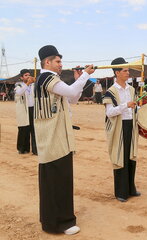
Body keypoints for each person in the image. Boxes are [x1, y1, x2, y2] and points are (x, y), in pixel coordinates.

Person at [34, 45, 95, 235]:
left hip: (57, 136)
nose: (61, 65)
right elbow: (69, 92)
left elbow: (73, 98)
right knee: (57, 179)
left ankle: (56, 220)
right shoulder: (46, 77)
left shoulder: (49, 79)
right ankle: (61, 223)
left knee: (59, 179)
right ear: (47, 62)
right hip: (54, 137)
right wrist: (85, 75)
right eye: (58, 61)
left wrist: (79, 80)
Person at [103, 57, 140, 203]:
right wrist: (126, 105)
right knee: (120, 158)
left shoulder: (131, 89)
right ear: (117, 73)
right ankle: (121, 192)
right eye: (125, 70)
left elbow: (135, 109)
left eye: (128, 70)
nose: (128, 73)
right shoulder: (110, 92)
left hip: (131, 126)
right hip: (119, 128)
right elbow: (110, 112)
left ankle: (131, 188)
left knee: (131, 157)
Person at [14, 69, 37, 155]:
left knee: (34, 129)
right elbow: (19, 93)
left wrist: (33, 82)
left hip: (33, 109)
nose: (28, 77)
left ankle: (35, 150)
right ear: (21, 77)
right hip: (24, 110)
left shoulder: (33, 85)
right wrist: (27, 84)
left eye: (29, 75)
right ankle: (22, 149)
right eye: (26, 75)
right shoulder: (19, 85)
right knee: (24, 129)